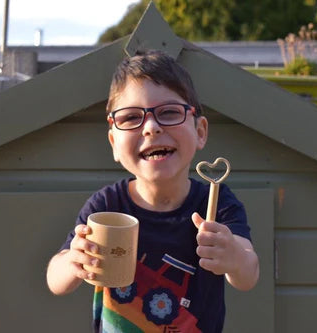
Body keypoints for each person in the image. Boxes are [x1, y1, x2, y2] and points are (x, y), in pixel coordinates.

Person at [46, 50, 259, 333]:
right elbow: (54, 279)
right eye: (132, 117)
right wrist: (74, 262)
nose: (151, 128)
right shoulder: (105, 206)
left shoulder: (217, 203)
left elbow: (248, 275)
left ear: (201, 132)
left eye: (169, 112)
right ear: (113, 142)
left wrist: (233, 256)